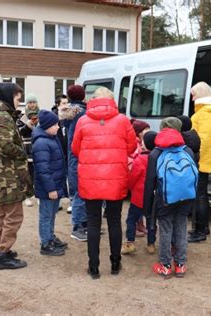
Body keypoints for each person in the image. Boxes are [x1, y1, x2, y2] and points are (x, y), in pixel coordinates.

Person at [72, 87, 136, 279]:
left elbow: (76, 148)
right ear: (111, 100)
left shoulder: (83, 121)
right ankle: (115, 263)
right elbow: (132, 146)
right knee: (115, 221)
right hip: (115, 177)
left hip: (90, 178)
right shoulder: (123, 120)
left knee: (93, 222)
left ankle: (94, 266)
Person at [0, 82, 34, 270]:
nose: (19, 102)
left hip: (0, 171)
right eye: (17, 97)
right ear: (8, 95)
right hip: (9, 174)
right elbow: (6, 145)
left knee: (3, 214)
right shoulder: (3, 116)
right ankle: (3, 255)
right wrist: (23, 152)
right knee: (13, 215)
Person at [143, 120, 197, 279]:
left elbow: (149, 183)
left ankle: (165, 265)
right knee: (181, 228)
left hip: (165, 198)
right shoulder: (188, 150)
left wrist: (147, 209)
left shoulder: (156, 153)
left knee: (165, 230)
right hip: (186, 197)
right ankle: (180, 265)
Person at [188, 82, 211, 243]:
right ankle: (203, 227)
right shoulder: (207, 111)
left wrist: (193, 158)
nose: (192, 98)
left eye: (194, 94)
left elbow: (203, 140)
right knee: (201, 195)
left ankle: (200, 231)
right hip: (204, 159)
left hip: (200, 160)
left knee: (199, 196)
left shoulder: (206, 113)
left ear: (201, 94)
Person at [32, 110, 68, 256]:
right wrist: (51, 189)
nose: (58, 127)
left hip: (55, 184)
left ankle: (50, 237)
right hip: (48, 188)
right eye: (55, 125)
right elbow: (43, 169)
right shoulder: (42, 142)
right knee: (46, 215)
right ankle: (45, 243)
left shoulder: (51, 138)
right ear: (47, 126)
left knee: (52, 214)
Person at [121, 131, 158, 255]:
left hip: (138, 196)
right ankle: (151, 244)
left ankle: (129, 243)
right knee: (151, 220)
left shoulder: (140, 159)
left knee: (131, 219)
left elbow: (133, 177)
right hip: (152, 197)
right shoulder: (158, 158)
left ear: (145, 144)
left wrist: (128, 187)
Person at [62, 85, 88, 241]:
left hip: (72, 156)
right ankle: (78, 226)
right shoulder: (82, 112)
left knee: (78, 191)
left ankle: (83, 224)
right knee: (80, 193)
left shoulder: (68, 112)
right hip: (79, 156)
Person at [129, 119, 150, 238]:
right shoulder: (136, 143)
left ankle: (140, 224)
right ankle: (136, 226)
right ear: (139, 132)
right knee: (136, 206)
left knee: (141, 205)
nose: (148, 131)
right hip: (136, 177)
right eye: (145, 130)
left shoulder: (143, 142)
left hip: (140, 177)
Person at [20, 93, 40, 208]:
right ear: (26, 104)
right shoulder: (22, 117)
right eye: (30, 102)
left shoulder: (41, 115)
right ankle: (27, 196)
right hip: (26, 148)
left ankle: (38, 195)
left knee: (39, 172)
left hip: (39, 147)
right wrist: (27, 126)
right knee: (28, 174)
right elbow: (19, 132)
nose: (32, 105)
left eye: (34, 102)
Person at [51, 94, 70, 212]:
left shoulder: (69, 116)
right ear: (57, 105)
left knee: (69, 177)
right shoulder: (53, 117)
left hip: (68, 151)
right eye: (63, 103)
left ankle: (71, 201)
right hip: (57, 152)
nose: (66, 106)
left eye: (67, 103)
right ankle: (56, 202)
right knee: (57, 177)